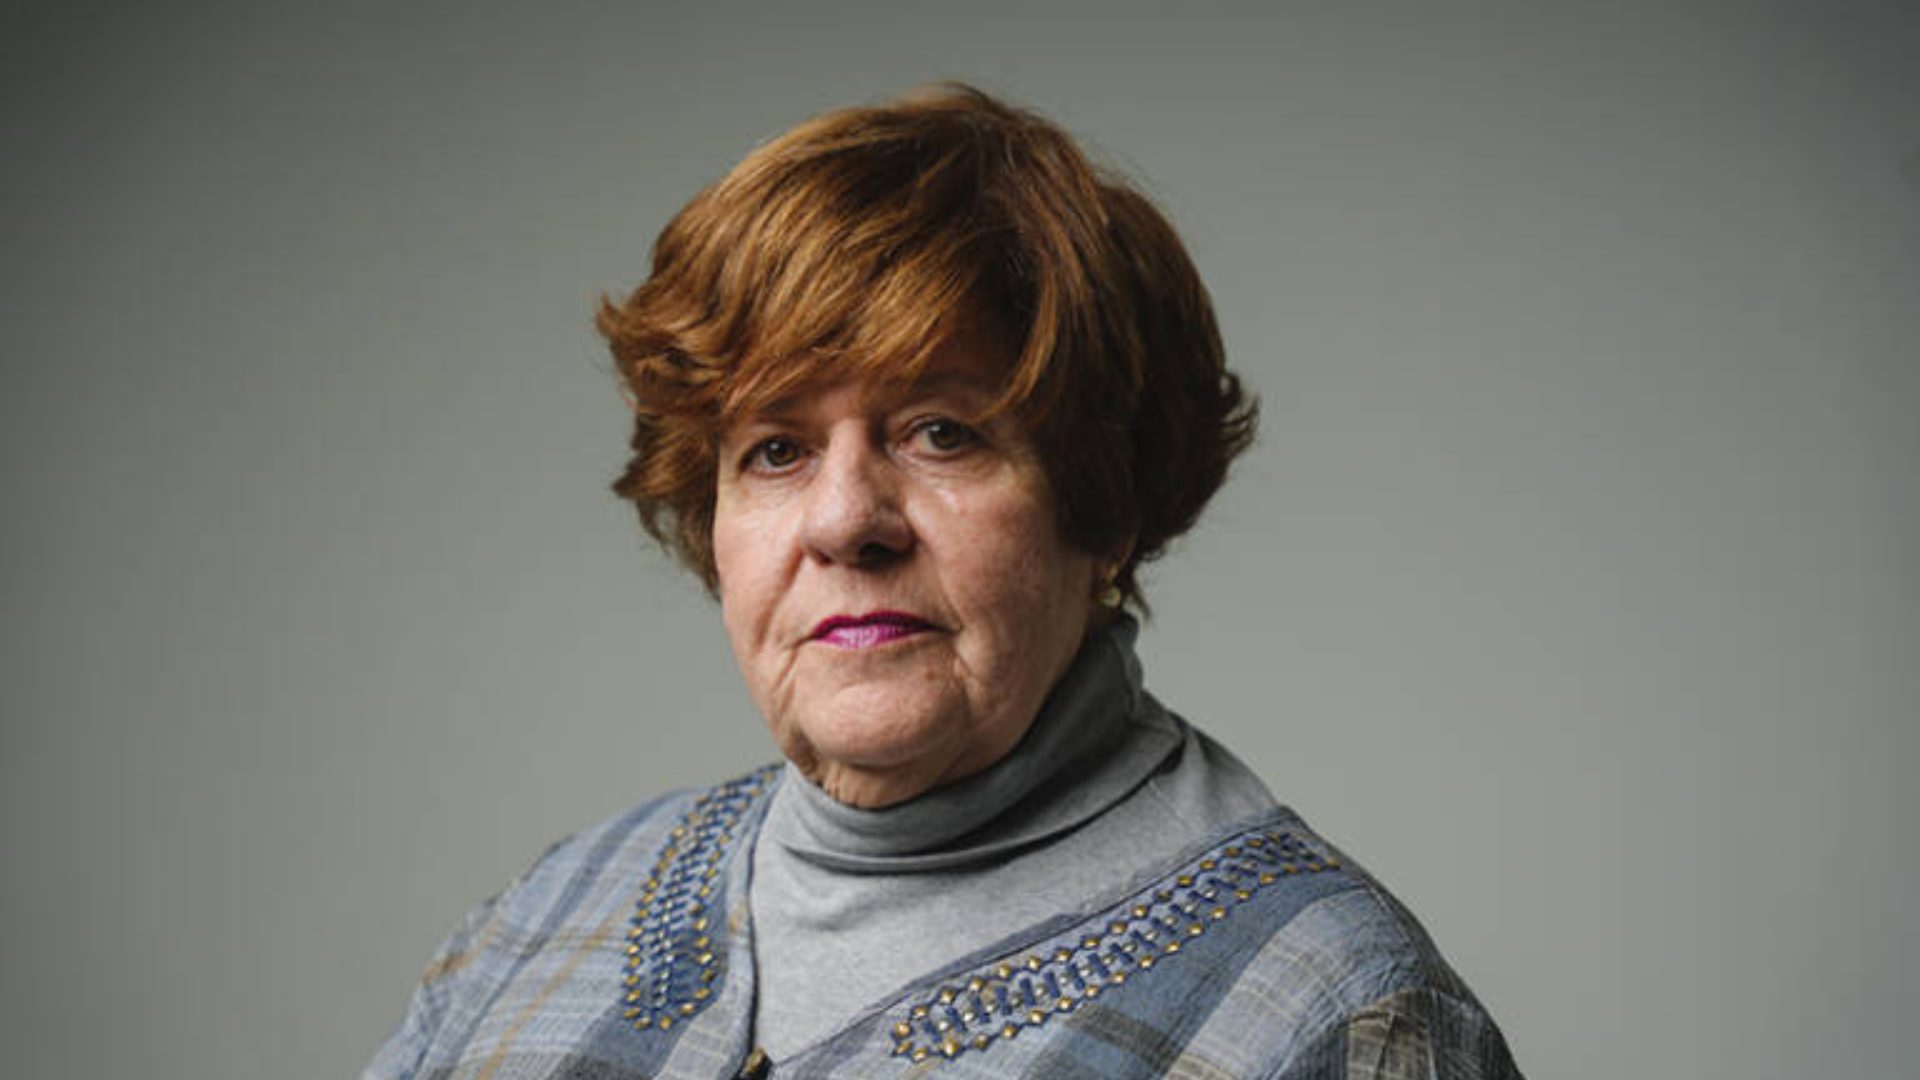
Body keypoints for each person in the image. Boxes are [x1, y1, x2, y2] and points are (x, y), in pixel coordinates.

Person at [364, 84, 1524, 1080]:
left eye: (939, 432)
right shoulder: (545, 922)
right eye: (775, 449)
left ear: (1102, 504)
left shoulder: (1332, 1016)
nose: (844, 521)